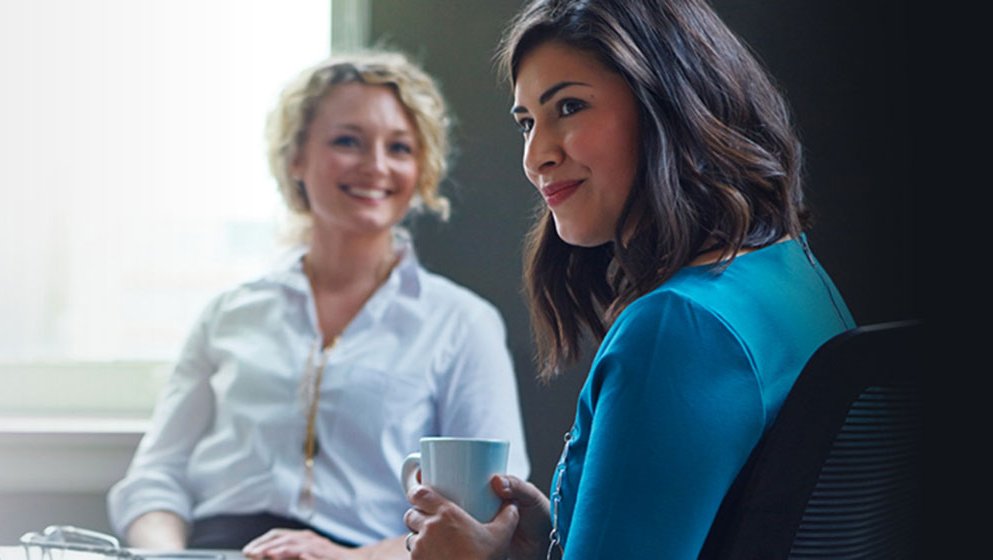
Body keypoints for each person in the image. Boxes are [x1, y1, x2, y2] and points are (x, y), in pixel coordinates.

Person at [402, 0, 855, 558]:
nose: (535, 155)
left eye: (569, 106)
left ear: (667, 104)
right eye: (526, 123)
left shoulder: (677, 330)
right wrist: (554, 532)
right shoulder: (794, 274)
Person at [107, 51, 530, 559]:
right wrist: (171, 558)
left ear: (421, 169)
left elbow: (488, 514)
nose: (375, 165)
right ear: (296, 159)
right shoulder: (227, 314)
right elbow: (155, 479)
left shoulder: (463, 324)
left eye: (399, 147)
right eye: (347, 141)